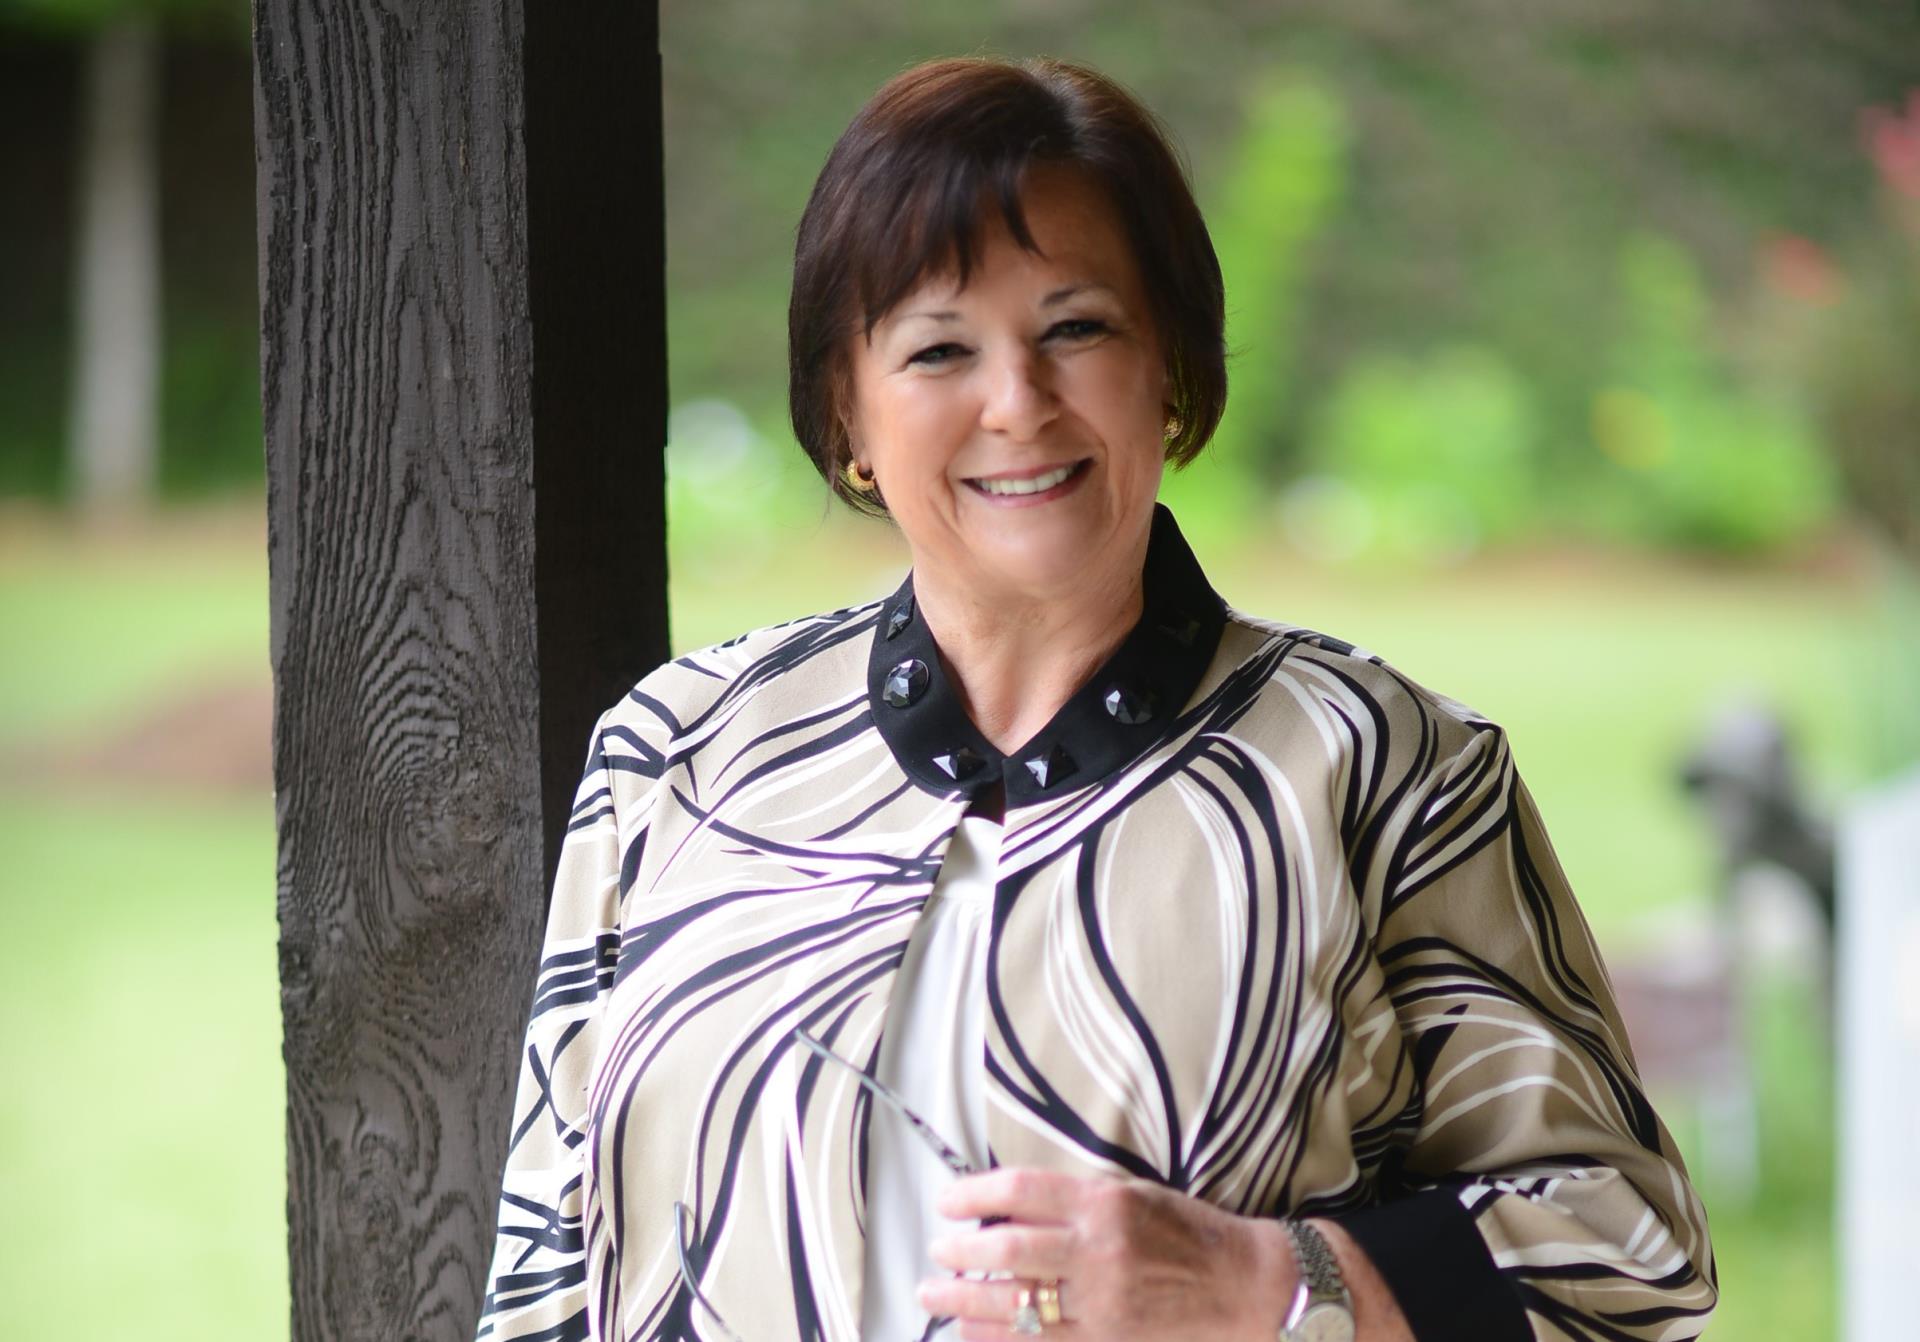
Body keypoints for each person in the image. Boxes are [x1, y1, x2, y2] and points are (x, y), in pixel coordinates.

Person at [473, 55, 1717, 1342]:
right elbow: (542, 1272)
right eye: (939, 348)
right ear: (845, 410)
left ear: (1168, 364)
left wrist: (1271, 1284)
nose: (1017, 403)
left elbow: (1627, 1252)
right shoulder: (681, 748)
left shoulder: (1383, 765)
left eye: (1076, 328)